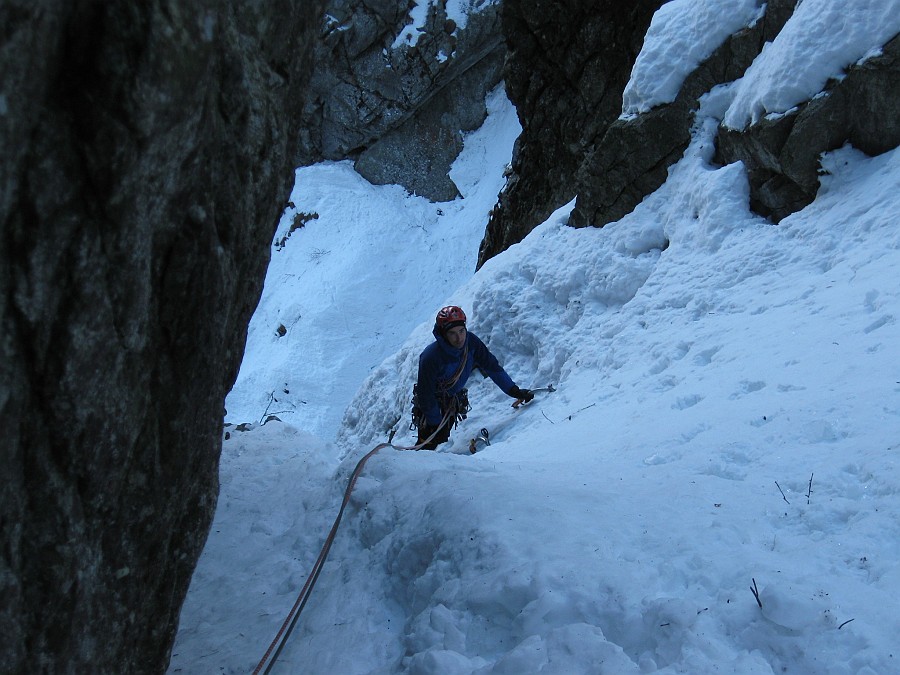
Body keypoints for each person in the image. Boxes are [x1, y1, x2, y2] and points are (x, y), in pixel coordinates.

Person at [413, 305, 533, 449]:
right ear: (443, 334)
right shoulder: (430, 357)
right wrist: (434, 422)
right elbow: (426, 394)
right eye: (452, 333)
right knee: (428, 441)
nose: (459, 338)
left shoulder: (471, 342)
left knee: (439, 438)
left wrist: (513, 390)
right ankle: (416, 464)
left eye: (462, 331)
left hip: (451, 401)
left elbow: (491, 366)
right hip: (432, 405)